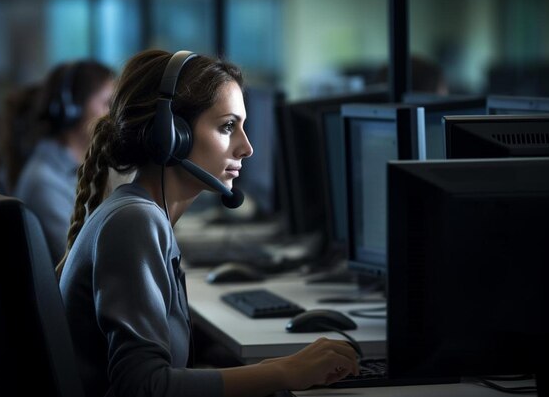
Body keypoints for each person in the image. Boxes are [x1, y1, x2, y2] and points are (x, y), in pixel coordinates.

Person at [57, 49, 359, 397]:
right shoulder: (135, 221)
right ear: (170, 135)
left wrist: (273, 369)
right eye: (227, 127)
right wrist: (284, 373)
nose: (247, 148)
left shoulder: (136, 213)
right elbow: (143, 387)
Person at [14, 60, 115, 266]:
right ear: (72, 110)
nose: (113, 116)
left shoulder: (73, 169)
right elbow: (81, 264)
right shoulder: (45, 182)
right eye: (107, 104)